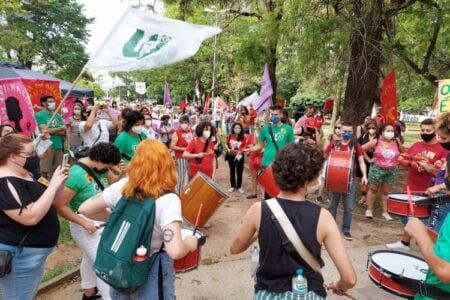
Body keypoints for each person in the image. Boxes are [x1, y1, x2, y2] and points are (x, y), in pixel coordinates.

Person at [230, 142, 356, 299]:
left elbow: (235, 249)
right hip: (309, 292)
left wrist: (259, 231)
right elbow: (349, 279)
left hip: (267, 293)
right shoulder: (323, 217)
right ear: (311, 179)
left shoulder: (258, 210)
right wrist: (339, 286)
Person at [78, 140, 199, 299]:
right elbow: (175, 250)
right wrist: (190, 243)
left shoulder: (123, 186)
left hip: (121, 261)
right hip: (152, 263)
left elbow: (84, 209)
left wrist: (117, 218)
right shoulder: (168, 199)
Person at [0, 134, 68, 299]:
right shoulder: (5, 182)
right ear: (13, 157)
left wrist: (60, 182)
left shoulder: (28, 172)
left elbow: (49, 199)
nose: (36, 156)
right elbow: (29, 217)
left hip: (34, 252)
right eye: (30, 153)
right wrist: (52, 186)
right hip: (20, 254)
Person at [54, 143, 125, 300]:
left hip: (101, 218)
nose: (108, 168)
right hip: (84, 223)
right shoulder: (76, 174)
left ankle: (89, 293)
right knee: (103, 262)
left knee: (90, 257)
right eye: (107, 164)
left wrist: (122, 173)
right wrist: (84, 223)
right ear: (99, 159)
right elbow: (60, 206)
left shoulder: (102, 168)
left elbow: (112, 186)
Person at [386, 118, 447, 251]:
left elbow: (443, 173)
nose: (424, 132)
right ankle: (405, 242)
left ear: (435, 131)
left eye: (428, 130)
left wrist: (429, 167)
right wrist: (412, 163)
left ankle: (430, 248)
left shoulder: (443, 148)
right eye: (422, 130)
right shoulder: (416, 145)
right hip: (412, 186)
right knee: (409, 217)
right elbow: (401, 158)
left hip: (431, 191)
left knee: (433, 222)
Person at [324, 122, 368, 240]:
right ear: (340, 131)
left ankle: (346, 229)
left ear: (352, 132)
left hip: (351, 180)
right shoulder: (334, 144)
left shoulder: (355, 145)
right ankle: (330, 229)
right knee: (332, 205)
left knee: (348, 207)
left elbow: (361, 161)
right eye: (345, 131)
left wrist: (364, 175)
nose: (347, 133)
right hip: (334, 179)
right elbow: (324, 156)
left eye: (349, 131)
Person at [246, 105, 295, 199]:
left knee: (281, 191)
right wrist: (250, 149)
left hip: (281, 164)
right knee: (268, 192)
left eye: (276, 114)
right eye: (271, 114)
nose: (273, 117)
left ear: (281, 115)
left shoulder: (288, 129)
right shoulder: (265, 129)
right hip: (266, 163)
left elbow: (291, 147)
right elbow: (260, 145)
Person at [362, 123, 405, 220]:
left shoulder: (396, 142)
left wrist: (399, 143)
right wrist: (369, 160)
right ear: (382, 132)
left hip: (391, 170)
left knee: (385, 191)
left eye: (392, 131)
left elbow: (403, 151)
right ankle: (369, 210)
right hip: (377, 169)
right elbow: (361, 149)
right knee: (373, 189)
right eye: (388, 131)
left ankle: (385, 212)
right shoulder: (376, 142)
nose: (390, 133)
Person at [35, 95, 66, 179]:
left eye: (53, 101)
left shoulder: (57, 115)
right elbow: (44, 130)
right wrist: (59, 128)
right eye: (50, 102)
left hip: (58, 145)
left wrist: (52, 130)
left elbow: (63, 131)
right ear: (44, 103)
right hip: (47, 147)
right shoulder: (39, 115)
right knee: (44, 171)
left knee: (57, 170)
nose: (53, 103)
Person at [357, 118, 378, 205]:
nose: (371, 130)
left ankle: (369, 197)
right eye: (369, 128)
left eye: (373, 128)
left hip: (375, 161)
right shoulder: (363, 136)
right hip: (365, 160)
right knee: (364, 178)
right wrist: (368, 159)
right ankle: (363, 196)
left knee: (372, 179)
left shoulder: (379, 137)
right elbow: (359, 147)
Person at [170, 115, 194, 193]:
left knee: (191, 176)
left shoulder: (192, 132)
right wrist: (184, 149)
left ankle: (189, 193)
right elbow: (172, 146)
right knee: (181, 177)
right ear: (180, 123)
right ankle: (179, 194)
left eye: (185, 122)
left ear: (188, 123)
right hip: (181, 157)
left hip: (191, 157)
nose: (184, 124)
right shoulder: (177, 133)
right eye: (182, 122)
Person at [224, 122, 247, 193]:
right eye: (236, 128)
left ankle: (239, 187)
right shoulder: (230, 136)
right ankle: (232, 186)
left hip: (240, 155)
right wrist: (228, 149)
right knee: (232, 171)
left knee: (240, 171)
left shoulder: (243, 137)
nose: (237, 129)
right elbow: (226, 144)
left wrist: (241, 151)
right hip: (231, 155)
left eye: (239, 128)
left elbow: (244, 146)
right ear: (233, 128)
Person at [246, 119, 265, 200]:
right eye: (261, 126)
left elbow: (267, 147)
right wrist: (251, 146)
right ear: (257, 126)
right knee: (254, 177)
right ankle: (254, 193)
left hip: (262, 157)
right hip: (253, 157)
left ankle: (264, 195)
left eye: (264, 126)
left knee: (262, 177)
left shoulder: (266, 136)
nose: (262, 127)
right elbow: (247, 146)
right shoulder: (252, 135)